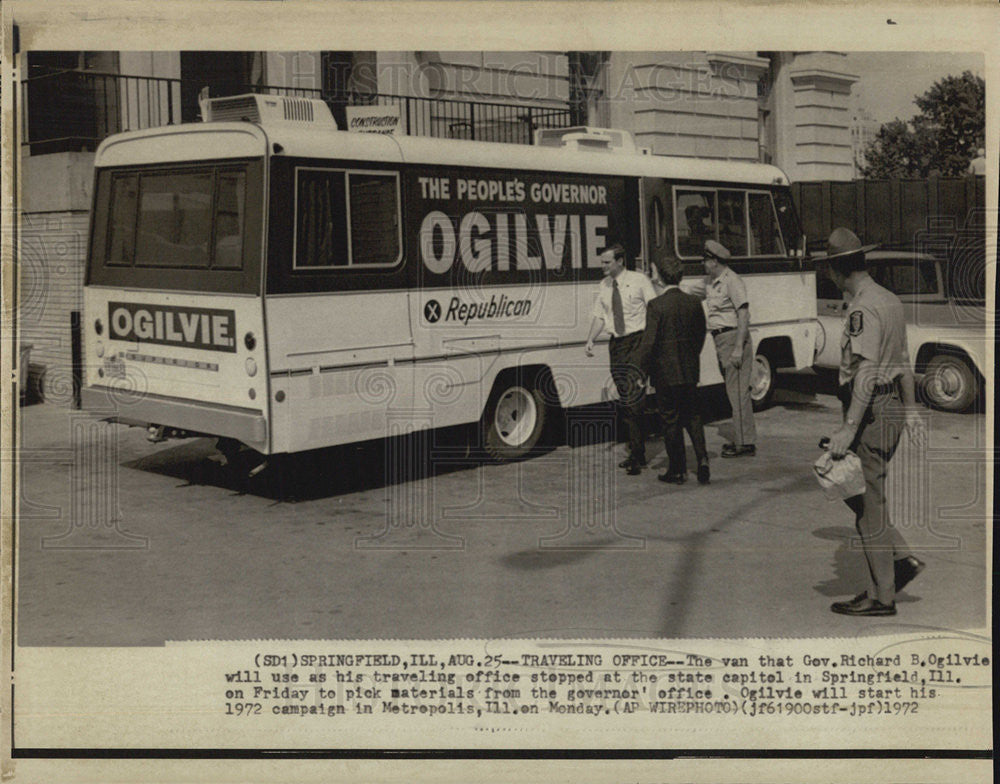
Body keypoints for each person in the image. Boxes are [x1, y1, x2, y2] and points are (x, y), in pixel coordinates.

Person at [823, 227, 926, 617]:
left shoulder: (863, 309)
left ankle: (883, 595)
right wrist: (911, 410)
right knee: (865, 495)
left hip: (870, 411)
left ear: (837, 269)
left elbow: (865, 372)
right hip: (892, 407)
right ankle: (898, 561)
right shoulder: (890, 300)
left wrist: (850, 425)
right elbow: (903, 361)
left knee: (867, 503)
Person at [636, 258, 710, 485]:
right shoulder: (693, 302)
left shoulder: (656, 306)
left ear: (659, 276)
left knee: (670, 420)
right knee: (693, 416)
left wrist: (642, 372)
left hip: (665, 373)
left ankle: (677, 470)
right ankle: (703, 460)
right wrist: (690, 357)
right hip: (689, 370)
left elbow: (649, 343)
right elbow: (700, 335)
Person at [585, 244, 657, 475]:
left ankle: (637, 455)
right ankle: (636, 450)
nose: (602, 266)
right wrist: (590, 339)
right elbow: (599, 315)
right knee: (625, 400)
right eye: (602, 262)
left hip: (636, 342)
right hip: (616, 345)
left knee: (634, 399)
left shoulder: (639, 281)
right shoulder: (604, 286)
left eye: (607, 262)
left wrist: (650, 345)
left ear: (619, 261)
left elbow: (654, 310)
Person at [703, 240, 756, 457]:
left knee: (738, 393)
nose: (703, 264)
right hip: (720, 341)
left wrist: (737, 348)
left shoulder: (732, 281)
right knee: (733, 391)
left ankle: (745, 444)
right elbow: (687, 291)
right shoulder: (711, 281)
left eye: (706, 260)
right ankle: (743, 439)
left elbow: (743, 314)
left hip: (734, 337)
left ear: (715, 261)